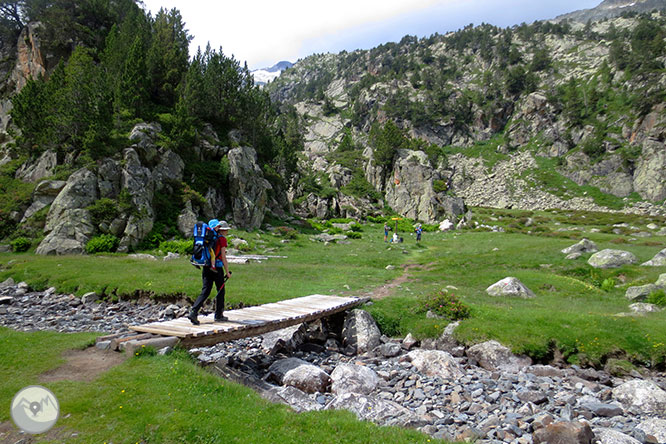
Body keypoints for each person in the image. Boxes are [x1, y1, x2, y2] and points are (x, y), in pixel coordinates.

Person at [188, 219, 232, 325]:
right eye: (225, 229)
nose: (227, 231)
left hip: (206, 266)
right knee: (221, 290)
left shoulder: (208, 238)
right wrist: (227, 272)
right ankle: (219, 315)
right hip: (217, 268)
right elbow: (223, 257)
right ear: (220, 229)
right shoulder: (221, 239)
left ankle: (193, 312)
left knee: (206, 291)